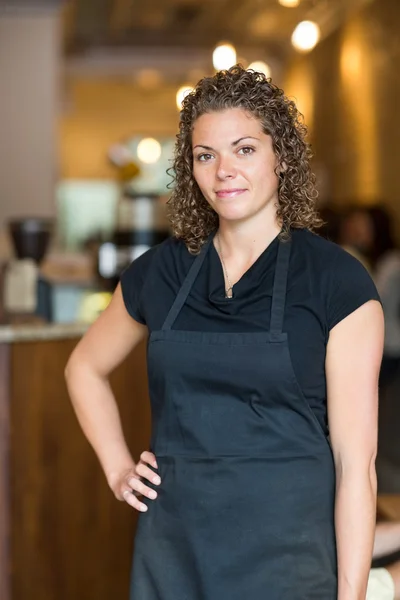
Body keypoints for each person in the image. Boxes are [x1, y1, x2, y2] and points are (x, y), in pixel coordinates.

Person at [65, 65, 384, 599]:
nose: (223, 172)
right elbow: (84, 368)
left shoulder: (337, 282)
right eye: (205, 155)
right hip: (175, 551)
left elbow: (357, 465)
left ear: (280, 156)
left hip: (289, 556)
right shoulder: (162, 272)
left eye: (244, 150)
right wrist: (118, 466)